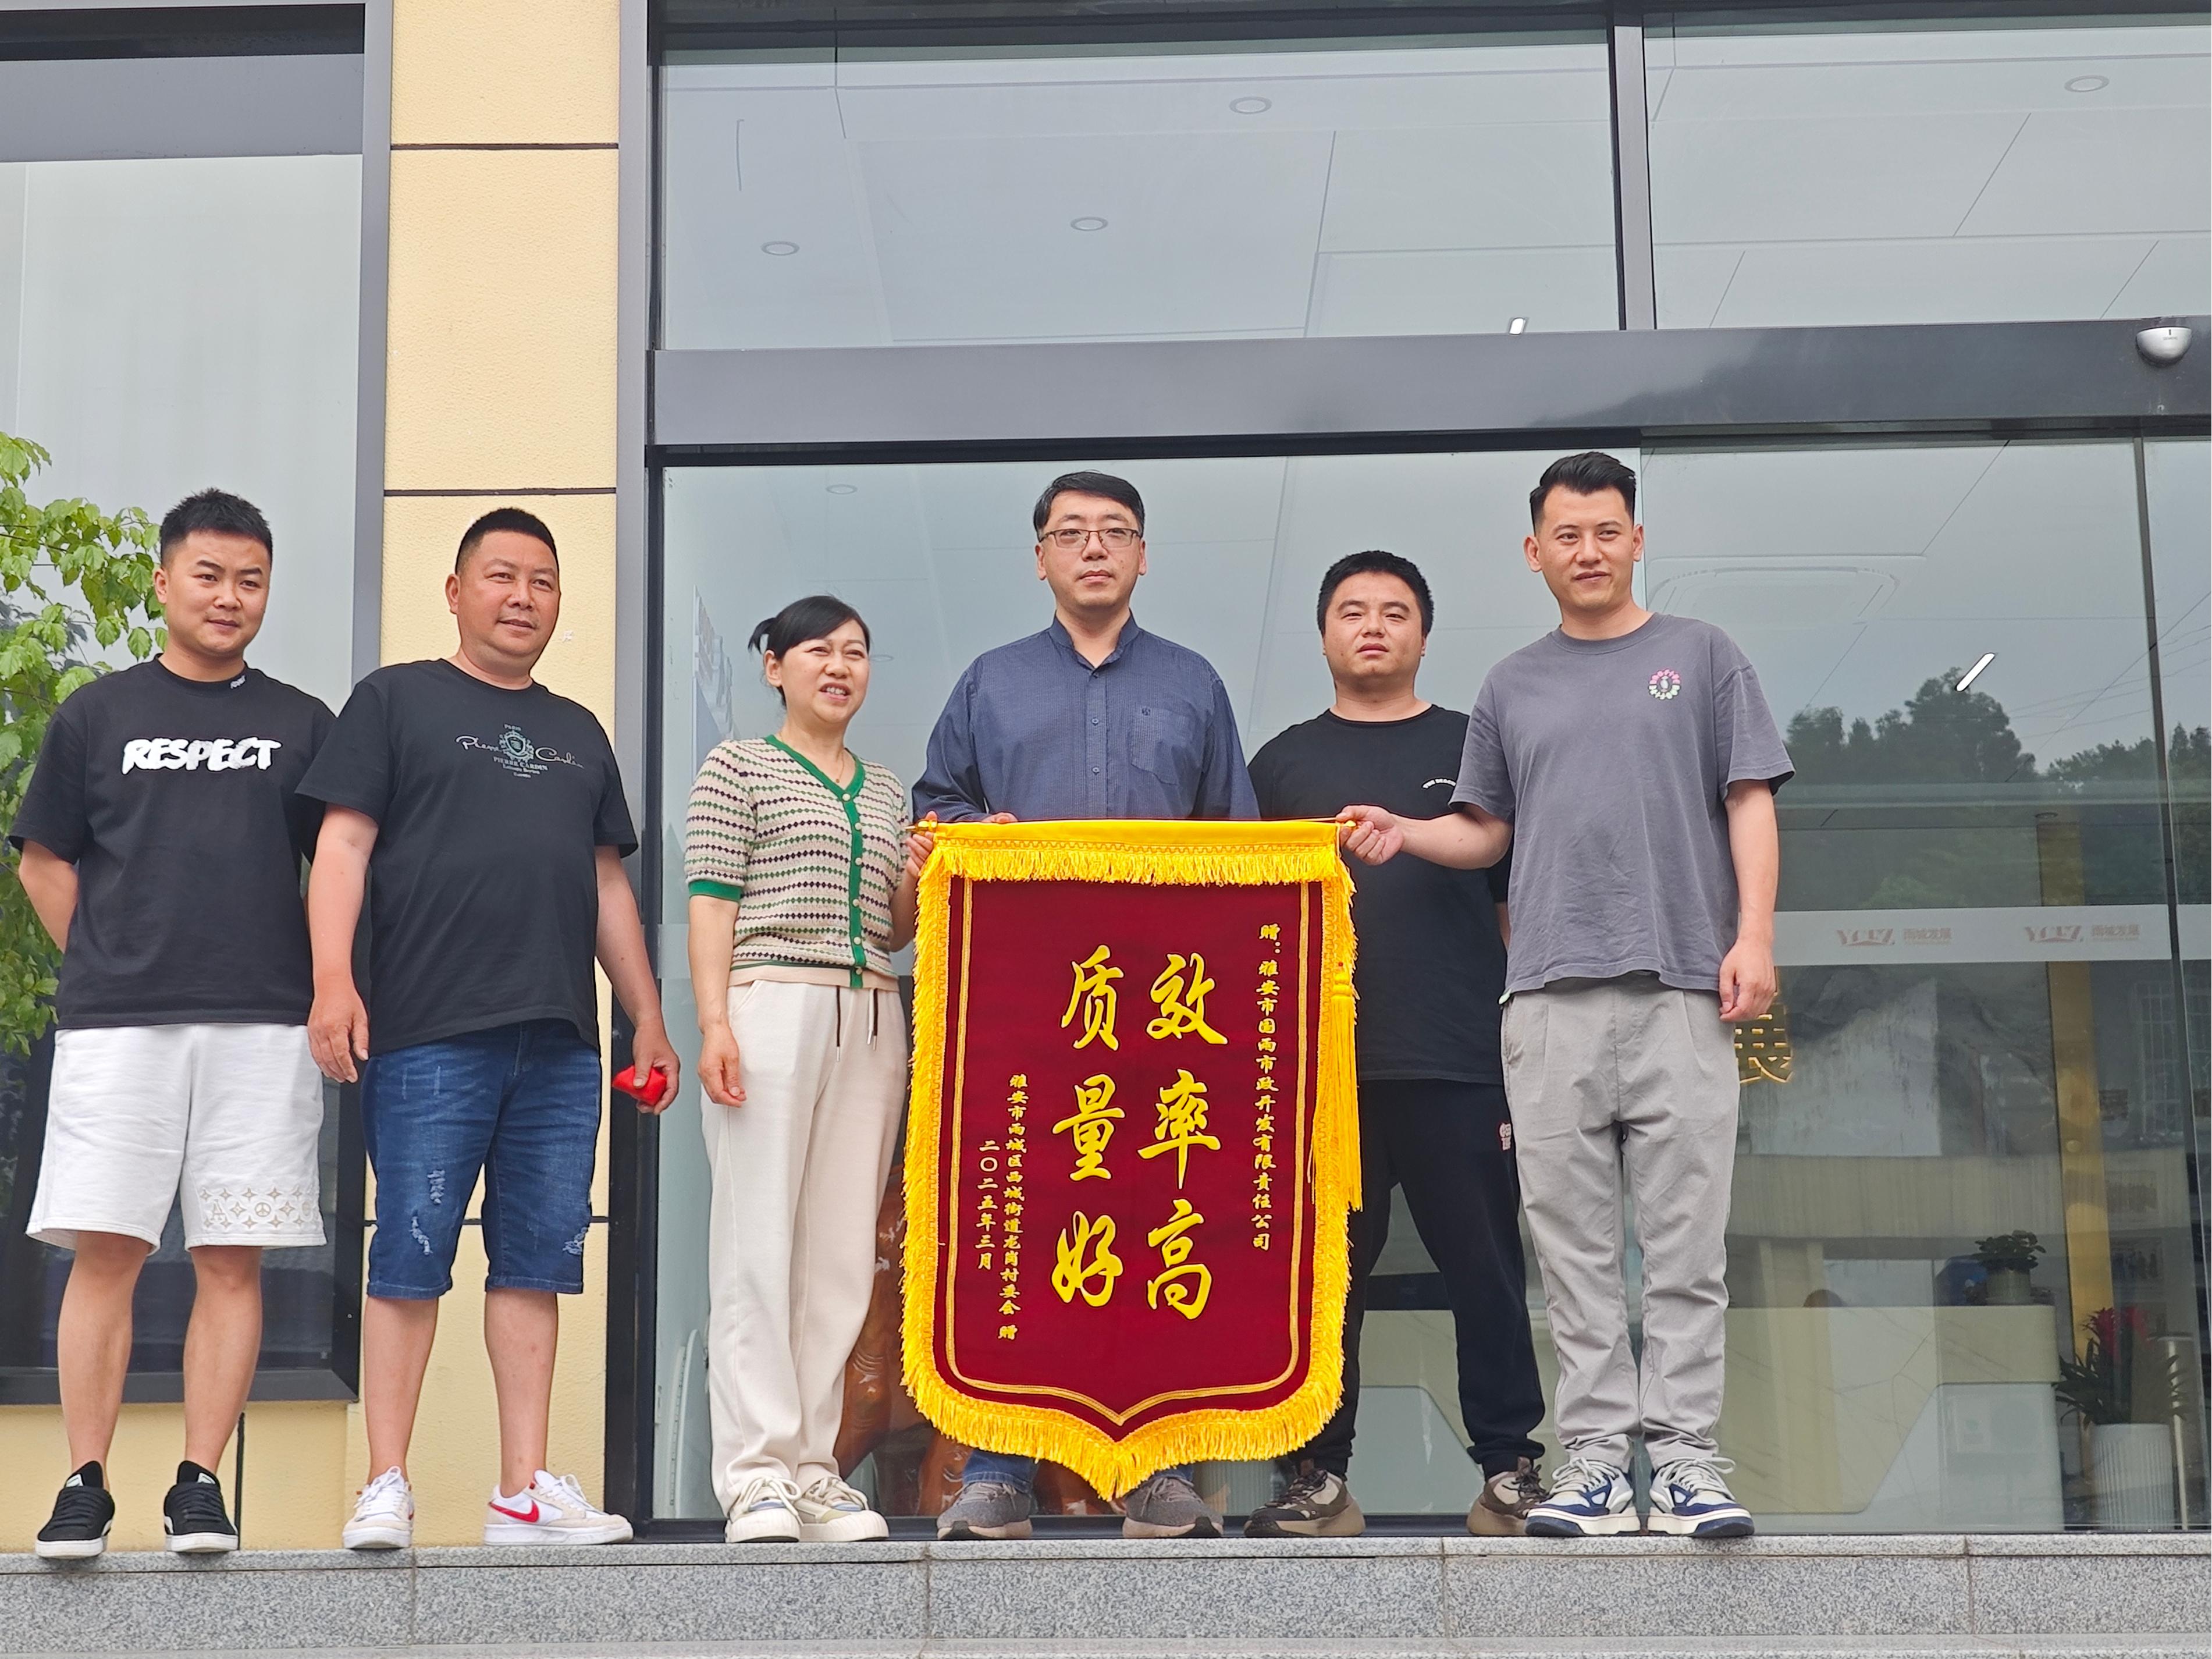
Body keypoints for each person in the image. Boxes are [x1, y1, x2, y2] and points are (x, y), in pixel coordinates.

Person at [1338, 452, 1788, 1539]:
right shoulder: (1511, 684)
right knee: (1573, 1251)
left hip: (1681, 988)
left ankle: (1683, 1464)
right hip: (1543, 1001)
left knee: (1685, 1247)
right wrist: (1406, 832)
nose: (1587, 551)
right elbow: (1485, 830)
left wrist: (1754, 937)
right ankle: (1593, 1462)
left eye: (1606, 531)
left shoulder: (1702, 656)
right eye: (1566, 535)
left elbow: (1747, 799)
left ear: (1636, 541)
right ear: (1533, 552)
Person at [301, 507, 681, 1550]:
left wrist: (646, 1016)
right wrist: (332, 981)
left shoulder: (579, 731)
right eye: (502, 576)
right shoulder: (393, 701)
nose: (522, 597)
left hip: (559, 1042)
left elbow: (607, 885)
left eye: (542, 582)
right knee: (410, 1254)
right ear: (457, 592)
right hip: (428, 1030)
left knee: (536, 1263)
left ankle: (522, 1492)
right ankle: (385, 1482)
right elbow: (342, 846)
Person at [912, 469, 1257, 1540]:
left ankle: (1155, 1472)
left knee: (1161, 1227)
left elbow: (1236, 847)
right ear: (1041, 559)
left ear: (1143, 555)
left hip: (1162, 1019)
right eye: (1071, 534)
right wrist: (969, 833)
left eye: (1114, 532)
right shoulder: (991, 682)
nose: (1094, 548)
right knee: (1014, 1227)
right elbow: (936, 812)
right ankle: (997, 1471)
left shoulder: (1192, 684)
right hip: (1028, 1016)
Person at [12, 490, 332, 1559]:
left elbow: (338, 867)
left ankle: (200, 1483)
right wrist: (110, 956)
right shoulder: (95, 715)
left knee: (230, 1258)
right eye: (209, 575)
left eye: (250, 580)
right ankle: (84, 1483)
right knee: (106, 1251)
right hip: (120, 1028)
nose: (229, 597)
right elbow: (44, 861)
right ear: (163, 583)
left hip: (263, 1026)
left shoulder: (302, 724)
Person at [1242, 550, 1546, 1540]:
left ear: (1422, 632)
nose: (1372, 627)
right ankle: (1316, 1479)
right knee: (1323, 1284)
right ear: (1323, 632)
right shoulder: (1279, 764)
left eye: (1393, 612)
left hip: (1458, 1057)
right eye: (1351, 611)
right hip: (1321, 1075)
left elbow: (1513, 907)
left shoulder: (1470, 744)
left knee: (1486, 1273)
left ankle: (1509, 1470)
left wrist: (1518, 1035)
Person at [685, 596, 918, 1544]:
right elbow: (711, 901)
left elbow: (894, 929)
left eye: (855, 652)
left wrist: (917, 874)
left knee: (838, 1257)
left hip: (871, 1012)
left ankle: (814, 1468)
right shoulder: (736, 767)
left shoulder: (888, 790)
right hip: (769, 1002)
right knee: (756, 1244)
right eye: (817, 650)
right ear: (773, 667)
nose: (839, 666)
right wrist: (713, 1023)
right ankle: (755, 1475)